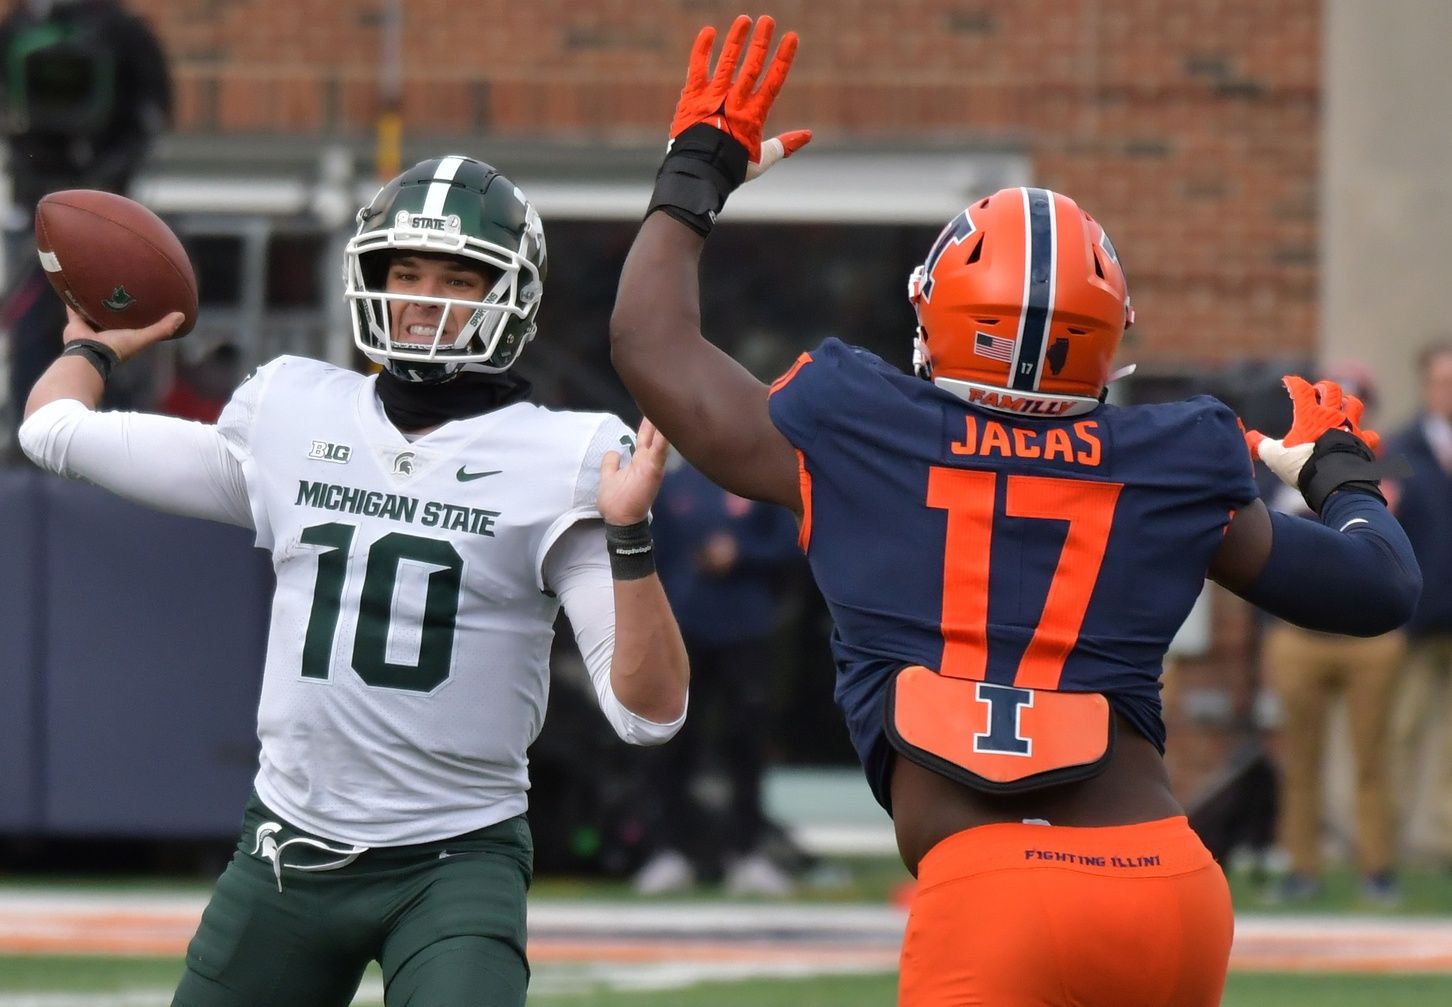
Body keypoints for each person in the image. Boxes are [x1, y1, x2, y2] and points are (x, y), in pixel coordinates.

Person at [608, 15, 1421, 1005]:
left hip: (990, 893)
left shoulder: (860, 424)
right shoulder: (1175, 457)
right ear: (1109, 335)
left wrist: (695, 179)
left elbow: (654, 345)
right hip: (1167, 886)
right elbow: (1378, 586)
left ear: (934, 312)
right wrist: (1337, 471)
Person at [19, 155, 690, 1007]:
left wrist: (629, 535)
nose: (422, 298)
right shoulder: (294, 411)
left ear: (509, 295)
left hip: (456, 855)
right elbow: (54, 432)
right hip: (288, 850)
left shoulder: (565, 454)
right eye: (404, 271)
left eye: (457, 276)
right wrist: (90, 345)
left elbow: (649, 713)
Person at [0, 0, 173, 413]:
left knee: (110, 320)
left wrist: (105, 175)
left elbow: (151, 116)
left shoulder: (122, 34)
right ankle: (34, 427)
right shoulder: (18, 30)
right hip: (38, 214)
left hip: (104, 217)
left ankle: (109, 419)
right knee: (35, 327)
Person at [1257, 363, 1406, 905]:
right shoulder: (1283, 457)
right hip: (1299, 633)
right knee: (1299, 756)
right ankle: (1302, 867)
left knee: (1373, 755)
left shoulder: (1392, 462)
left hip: (1368, 637)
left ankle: (1378, 868)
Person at [631, 458, 801, 895]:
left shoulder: (755, 478)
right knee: (671, 743)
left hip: (746, 631)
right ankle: (670, 851)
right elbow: (653, 555)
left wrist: (741, 554)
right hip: (684, 629)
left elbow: (790, 546)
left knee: (745, 744)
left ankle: (746, 853)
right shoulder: (672, 485)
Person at [1386, 340, 1452, 868]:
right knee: (1403, 730)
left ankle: (1445, 844)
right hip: (1417, 620)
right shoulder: (1402, 450)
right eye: (1442, 382)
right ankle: (1393, 846)